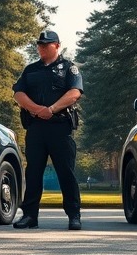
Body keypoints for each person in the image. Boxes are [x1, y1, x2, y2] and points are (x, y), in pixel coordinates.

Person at [12, 30, 84, 230]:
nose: (42, 47)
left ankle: (74, 215)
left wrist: (51, 109)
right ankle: (29, 216)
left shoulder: (69, 68)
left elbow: (74, 93)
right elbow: (18, 94)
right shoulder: (30, 69)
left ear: (57, 46)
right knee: (33, 172)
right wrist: (37, 110)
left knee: (66, 172)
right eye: (40, 44)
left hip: (60, 127)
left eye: (46, 44)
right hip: (36, 127)